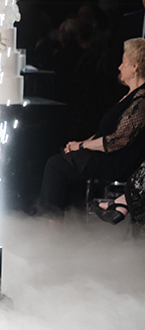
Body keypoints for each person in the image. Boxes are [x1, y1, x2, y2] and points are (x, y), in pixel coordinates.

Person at [35, 37, 145, 216]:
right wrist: (79, 143)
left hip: (117, 161)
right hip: (108, 154)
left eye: (123, 62)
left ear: (135, 67)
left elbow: (117, 140)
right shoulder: (130, 96)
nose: (119, 67)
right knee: (62, 158)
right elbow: (105, 132)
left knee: (55, 166)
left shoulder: (141, 100)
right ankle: (57, 221)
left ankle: (52, 227)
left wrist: (81, 145)